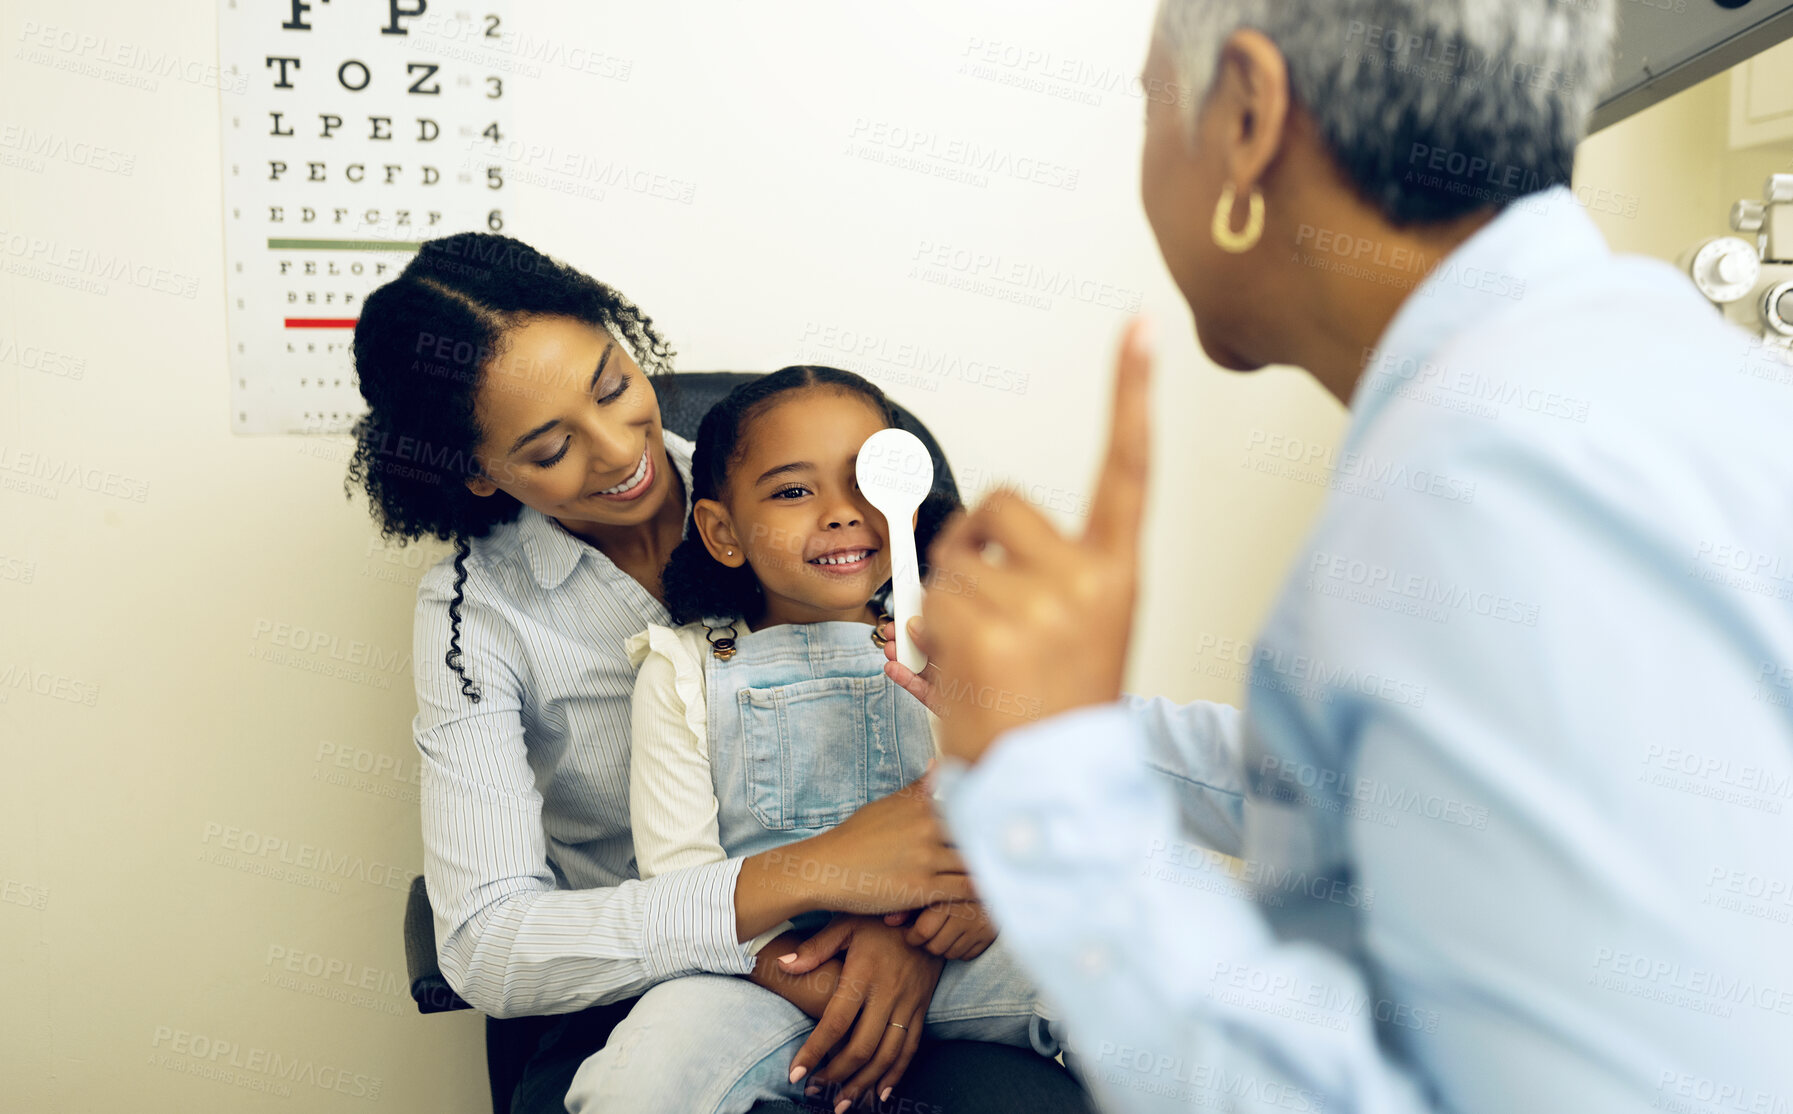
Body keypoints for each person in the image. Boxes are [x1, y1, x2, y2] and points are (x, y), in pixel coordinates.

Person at [789, 1, 1793, 1110]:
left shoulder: (1488, 485)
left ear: (1247, 118)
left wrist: (1057, 799)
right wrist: (1051, 724)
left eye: (1145, 107)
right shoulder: (1633, 376)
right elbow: (1391, 795)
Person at [345, 235, 1005, 1111]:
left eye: (614, 387)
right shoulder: (476, 618)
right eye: (548, 450)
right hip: (651, 991)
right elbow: (487, 945)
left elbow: (1012, 738)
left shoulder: (805, 482)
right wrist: (804, 896)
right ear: (477, 472)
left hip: (920, 932)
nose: (620, 452)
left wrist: (935, 914)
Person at [565, 366, 1063, 1113]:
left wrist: (979, 900)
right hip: (757, 976)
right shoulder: (679, 672)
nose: (840, 514)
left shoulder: (956, 643)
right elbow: (681, 888)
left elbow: (1030, 814)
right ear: (724, 532)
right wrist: (823, 986)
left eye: (866, 481)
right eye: (794, 491)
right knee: (631, 1086)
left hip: (949, 951)